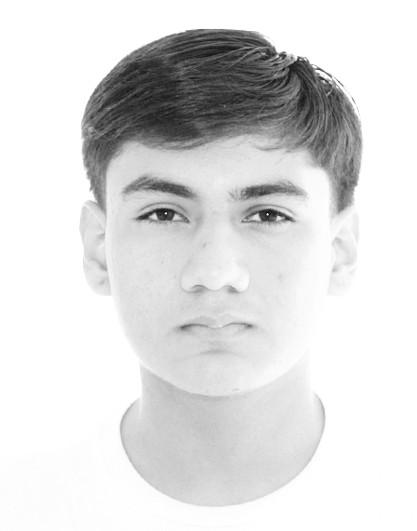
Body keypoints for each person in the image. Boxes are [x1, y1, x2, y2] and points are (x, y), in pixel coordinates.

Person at [1, 29, 361, 530]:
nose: (214, 273)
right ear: (99, 247)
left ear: (339, 250)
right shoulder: (18, 506)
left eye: (268, 215)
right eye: (164, 214)